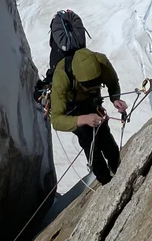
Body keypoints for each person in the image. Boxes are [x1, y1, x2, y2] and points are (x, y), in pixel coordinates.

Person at [49, 45, 127, 184]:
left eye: (96, 85)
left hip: (91, 101)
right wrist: (83, 119)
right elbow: (56, 120)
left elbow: (112, 82)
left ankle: (117, 168)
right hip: (72, 108)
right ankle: (105, 180)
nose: (94, 87)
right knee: (88, 139)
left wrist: (115, 99)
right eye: (89, 86)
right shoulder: (62, 77)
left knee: (104, 135)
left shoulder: (101, 62)